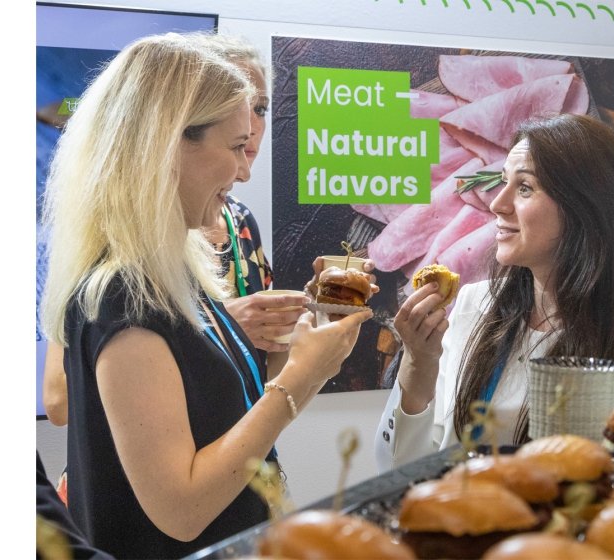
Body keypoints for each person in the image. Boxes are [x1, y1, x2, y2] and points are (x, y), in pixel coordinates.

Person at [39, 33, 372, 558]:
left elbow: (224, 421)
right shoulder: (126, 298)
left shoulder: (177, 272)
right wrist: (303, 378)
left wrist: (308, 357)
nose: (244, 170)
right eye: (237, 146)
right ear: (169, 143)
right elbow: (183, 510)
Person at [41, 35, 292, 428]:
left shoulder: (237, 225)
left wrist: (310, 330)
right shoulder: (119, 278)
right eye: (237, 110)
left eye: (259, 107)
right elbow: (60, 401)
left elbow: (246, 384)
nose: (252, 126)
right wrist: (226, 333)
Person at [374, 114, 614, 473]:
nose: (497, 203)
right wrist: (418, 363)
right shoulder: (473, 304)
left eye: (524, 187)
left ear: (584, 206)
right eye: (503, 182)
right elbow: (399, 468)